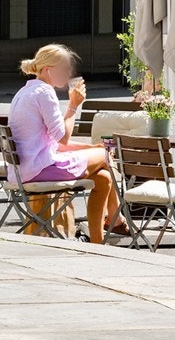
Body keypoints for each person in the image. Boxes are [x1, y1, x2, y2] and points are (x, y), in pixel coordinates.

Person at [6, 44, 121, 244]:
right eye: (64, 69)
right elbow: (62, 138)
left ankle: (98, 242)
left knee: (103, 177)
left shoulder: (25, 92)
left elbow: (52, 143)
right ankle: (115, 217)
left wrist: (89, 148)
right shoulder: (45, 93)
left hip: (24, 169)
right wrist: (74, 105)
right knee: (105, 156)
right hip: (38, 170)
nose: (68, 74)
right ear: (47, 70)